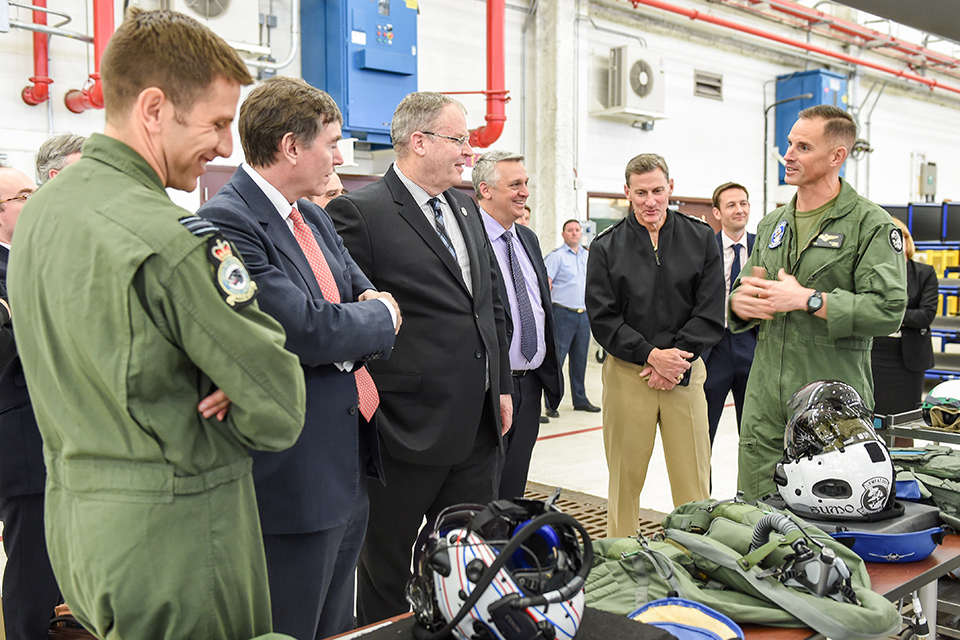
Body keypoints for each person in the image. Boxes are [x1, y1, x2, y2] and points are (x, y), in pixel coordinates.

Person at [7, 9, 307, 640]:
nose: (226, 147)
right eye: (218, 123)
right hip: (180, 544)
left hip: (78, 530)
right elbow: (277, 402)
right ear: (153, 109)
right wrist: (234, 377)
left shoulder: (42, 214)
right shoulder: (172, 240)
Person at [198, 76, 400, 640]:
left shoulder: (310, 217)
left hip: (349, 456)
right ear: (291, 146)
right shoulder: (228, 222)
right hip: (294, 474)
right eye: (331, 143)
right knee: (291, 624)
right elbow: (308, 330)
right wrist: (371, 320)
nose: (339, 157)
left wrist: (363, 322)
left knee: (336, 623)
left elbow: (364, 298)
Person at [326, 91, 512, 626]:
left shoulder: (465, 209)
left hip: (477, 428)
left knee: (471, 562)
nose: (469, 152)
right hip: (403, 429)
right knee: (386, 573)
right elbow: (350, 321)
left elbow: (489, 307)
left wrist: (498, 387)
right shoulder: (360, 212)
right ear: (419, 141)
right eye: (459, 140)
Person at [729, 104, 906, 503]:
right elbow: (745, 289)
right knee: (756, 515)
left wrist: (808, 299)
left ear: (836, 157)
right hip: (764, 404)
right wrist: (740, 304)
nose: (788, 154)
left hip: (829, 406)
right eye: (789, 144)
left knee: (826, 522)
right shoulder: (773, 224)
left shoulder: (870, 225)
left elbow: (887, 310)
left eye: (803, 147)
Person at [586, 153, 724, 538]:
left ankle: (699, 555)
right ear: (626, 192)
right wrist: (650, 355)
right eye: (641, 192)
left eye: (658, 191)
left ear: (671, 189)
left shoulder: (700, 239)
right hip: (630, 375)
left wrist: (675, 360)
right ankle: (621, 555)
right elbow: (603, 317)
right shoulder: (606, 247)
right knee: (624, 482)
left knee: (693, 482)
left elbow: (711, 310)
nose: (651, 201)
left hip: (685, 371)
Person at [473, 150, 562, 501]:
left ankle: (505, 551)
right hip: (490, 387)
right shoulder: (469, 240)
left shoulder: (527, 238)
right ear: (486, 190)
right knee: (482, 488)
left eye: (525, 183)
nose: (524, 191)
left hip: (530, 386)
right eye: (515, 184)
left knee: (513, 486)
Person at [0, 166, 62, 640]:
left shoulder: (35, 257)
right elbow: (10, 352)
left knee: (62, 578)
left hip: (59, 439)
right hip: (23, 443)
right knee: (33, 579)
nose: (34, 201)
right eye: (23, 196)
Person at [702, 182, 756, 445]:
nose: (739, 209)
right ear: (717, 212)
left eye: (743, 203)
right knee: (703, 433)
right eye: (731, 204)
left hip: (753, 345)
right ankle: (702, 488)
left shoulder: (763, 249)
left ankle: (750, 488)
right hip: (715, 348)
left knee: (753, 434)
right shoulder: (703, 249)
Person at [871, 217, 937, 432]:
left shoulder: (924, 273)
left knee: (905, 424)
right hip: (875, 354)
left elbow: (925, 316)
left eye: (901, 237)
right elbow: (866, 308)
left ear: (907, 241)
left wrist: (889, 313)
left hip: (908, 359)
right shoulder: (873, 272)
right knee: (874, 421)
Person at [543, 220, 600, 417]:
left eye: (577, 230)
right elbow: (545, 284)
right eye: (570, 230)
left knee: (580, 360)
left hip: (583, 315)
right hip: (562, 314)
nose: (574, 233)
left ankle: (580, 399)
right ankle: (552, 403)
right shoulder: (556, 257)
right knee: (557, 360)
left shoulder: (588, 256)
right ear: (563, 234)